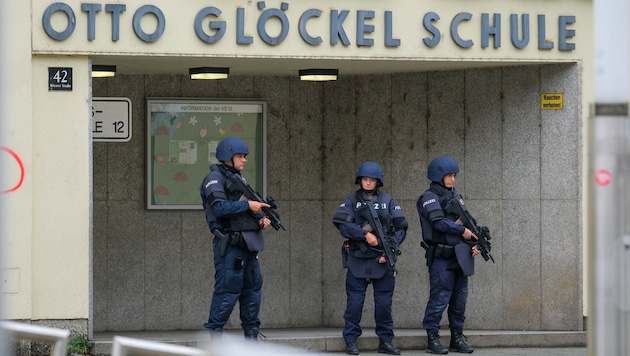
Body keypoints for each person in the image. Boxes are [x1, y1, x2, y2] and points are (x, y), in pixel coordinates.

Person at [200, 136, 272, 340]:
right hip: (230, 246)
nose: (244, 160)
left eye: (245, 156)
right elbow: (220, 208)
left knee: (252, 290)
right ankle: (214, 337)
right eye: (241, 156)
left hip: (248, 246)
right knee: (227, 291)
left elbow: (242, 215)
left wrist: (260, 220)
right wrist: (248, 205)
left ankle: (251, 334)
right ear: (228, 157)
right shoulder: (214, 179)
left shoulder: (238, 180)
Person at [333, 161, 408, 355]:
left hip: (382, 260)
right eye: (365, 179)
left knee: (384, 305)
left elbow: (401, 226)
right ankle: (351, 340)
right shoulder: (352, 200)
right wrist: (364, 234)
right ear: (360, 180)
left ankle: (385, 341)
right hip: (358, 258)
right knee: (355, 304)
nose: (368, 183)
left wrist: (391, 248)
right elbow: (342, 224)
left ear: (378, 182)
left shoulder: (388, 201)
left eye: (371, 180)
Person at [416, 156, 481, 354]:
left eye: (454, 175)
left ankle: (456, 338)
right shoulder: (429, 197)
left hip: (461, 255)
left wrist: (475, 242)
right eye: (449, 175)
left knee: (459, 300)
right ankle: (432, 339)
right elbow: (439, 222)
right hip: (442, 257)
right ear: (438, 176)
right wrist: (463, 232)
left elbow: (468, 222)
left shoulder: (456, 196)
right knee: (439, 298)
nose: (452, 179)